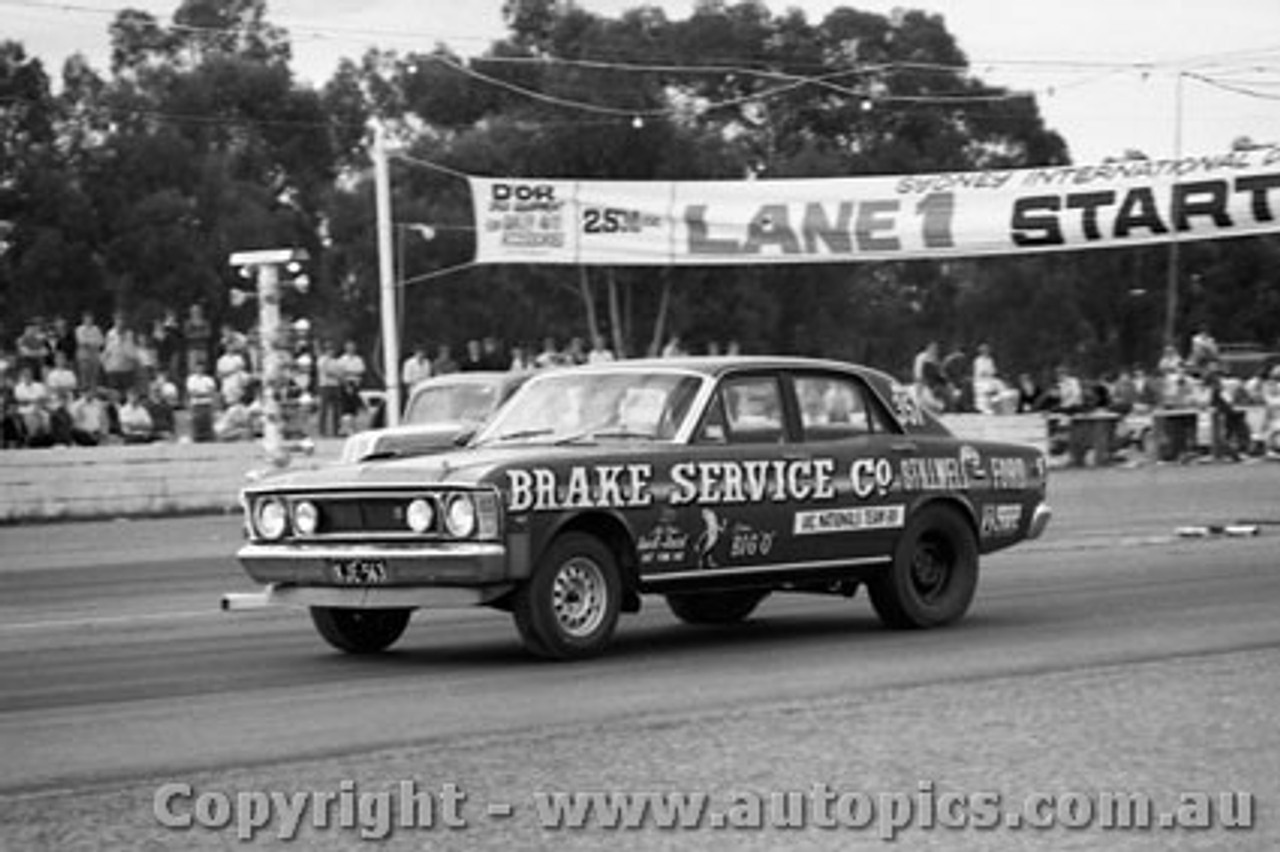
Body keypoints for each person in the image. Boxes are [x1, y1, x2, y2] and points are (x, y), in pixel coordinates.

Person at [336, 340, 366, 436]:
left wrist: (349, 372)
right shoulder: (342, 360)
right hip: (345, 384)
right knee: (346, 407)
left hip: (356, 384)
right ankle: (345, 428)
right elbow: (340, 373)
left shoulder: (358, 359)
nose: (351, 349)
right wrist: (347, 383)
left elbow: (361, 371)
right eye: (349, 347)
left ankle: (353, 427)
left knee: (354, 408)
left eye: (352, 347)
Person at [912, 341, 949, 413]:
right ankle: (938, 407)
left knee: (925, 397)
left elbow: (939, 371)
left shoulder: (929, 357)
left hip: (925, 381)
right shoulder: (924, 356)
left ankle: (932, 408)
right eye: (934, 348)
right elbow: (920, 370)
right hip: (923, 380)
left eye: (936, 349)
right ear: (928, 348)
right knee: (924, 397)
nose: (936, 351)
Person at [315, 342, 343, 438]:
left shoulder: (335, 361)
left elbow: (341, 372)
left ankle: (336, 430)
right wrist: (336, 374)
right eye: (329, 349)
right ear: (326, 350)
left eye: (332, 349)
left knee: (336, 410)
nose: (331, 351)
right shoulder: (322, 360)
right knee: (324, 409)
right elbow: (326, 372)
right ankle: (322, 431)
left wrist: (337, 374)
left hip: (335, 386)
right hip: (325, 386)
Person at [74, 311, 105, 392]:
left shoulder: (96, 329)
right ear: (83, 320)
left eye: (90, 319)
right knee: (84, 378)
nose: (89, 320)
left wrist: (90, 343)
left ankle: (94, 394)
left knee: (94, 378)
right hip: (84, 358)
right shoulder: (79, 329)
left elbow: (101, 342)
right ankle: (84, 395)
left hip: (95, 358)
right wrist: (93, 342)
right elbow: (82, 342)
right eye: (87, 319)